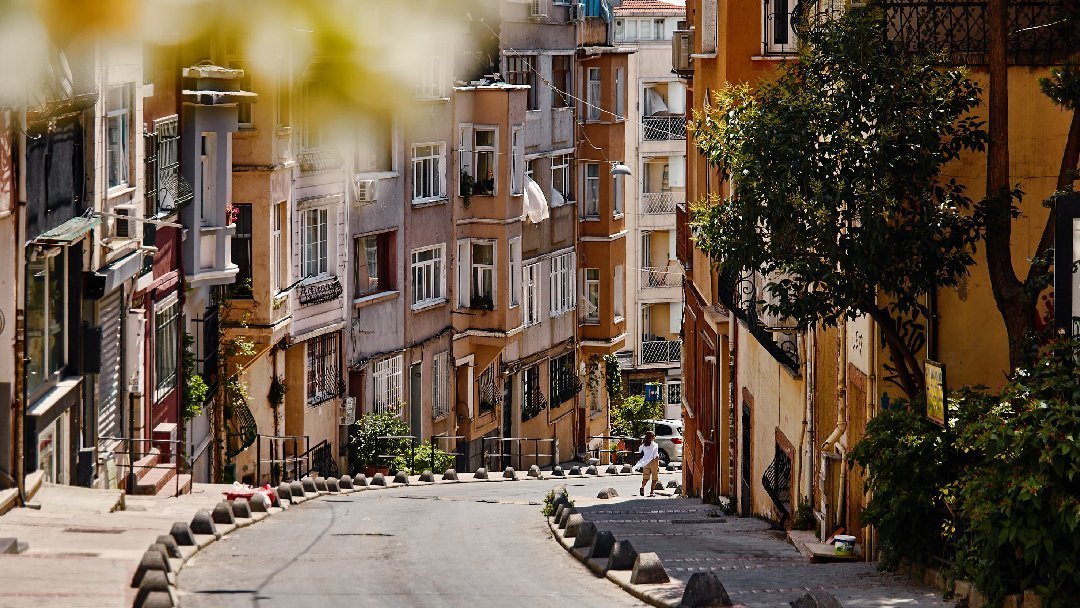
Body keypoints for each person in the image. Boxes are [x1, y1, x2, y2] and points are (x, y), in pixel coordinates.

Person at [634, 431, 660, 497]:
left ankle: (642, 487)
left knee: (646, 477)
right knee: (654, 478)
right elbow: (655, 455)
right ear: (652, 437)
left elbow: (639, 450)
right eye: (654, 436)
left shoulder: (644, 444)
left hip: (645, 462)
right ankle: (652, 492)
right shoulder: (655, 445)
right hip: (653, 461)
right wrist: (658, 464)